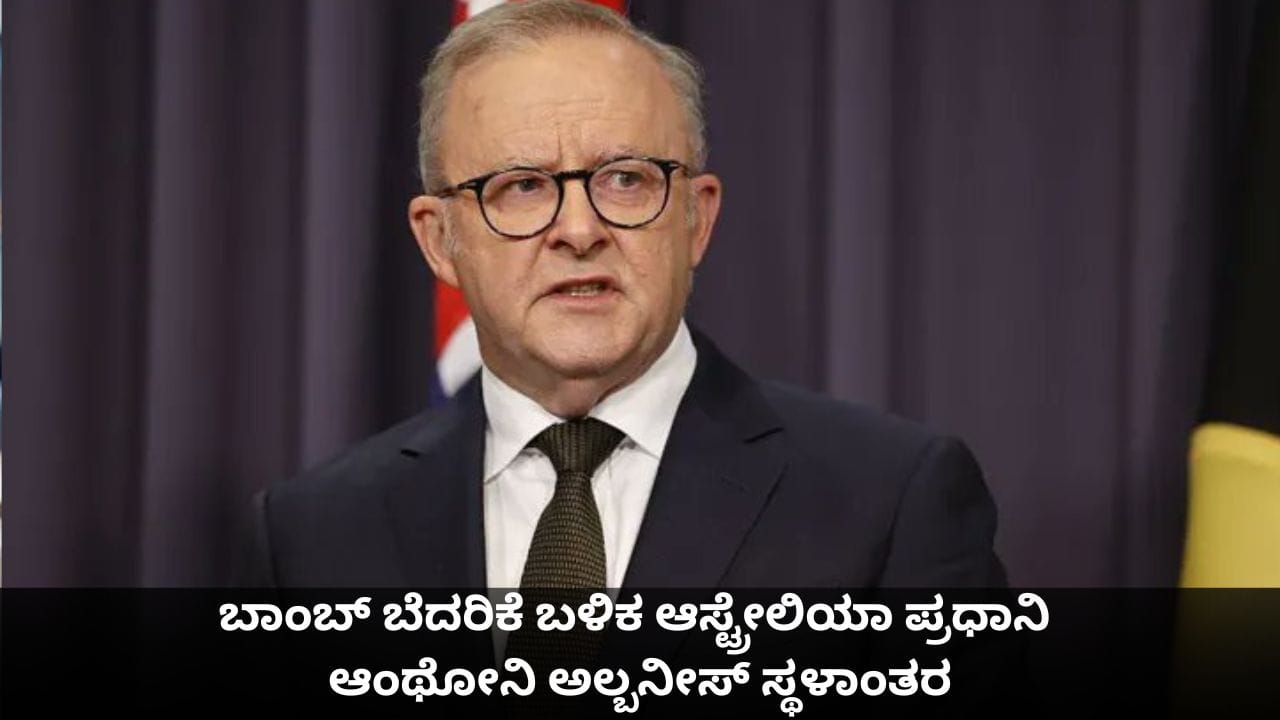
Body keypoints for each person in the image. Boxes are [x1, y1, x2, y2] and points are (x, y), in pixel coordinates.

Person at [240, 0, 1007, 591]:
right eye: (522, 186)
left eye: (625, 179)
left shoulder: (889, 503)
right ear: (439, 239)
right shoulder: (312, 536)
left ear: (697, 218)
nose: (579, 230)